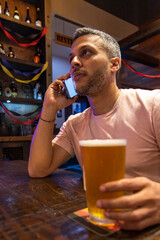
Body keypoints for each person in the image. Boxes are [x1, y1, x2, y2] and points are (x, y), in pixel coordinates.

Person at [28, 27, 160, 231]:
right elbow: (38, 169)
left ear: (114, 64)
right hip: (100, 223)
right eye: (72, 57)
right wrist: (49, 108)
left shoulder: (153, 104)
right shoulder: (74, 124)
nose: (74, 62)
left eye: (85, 53)